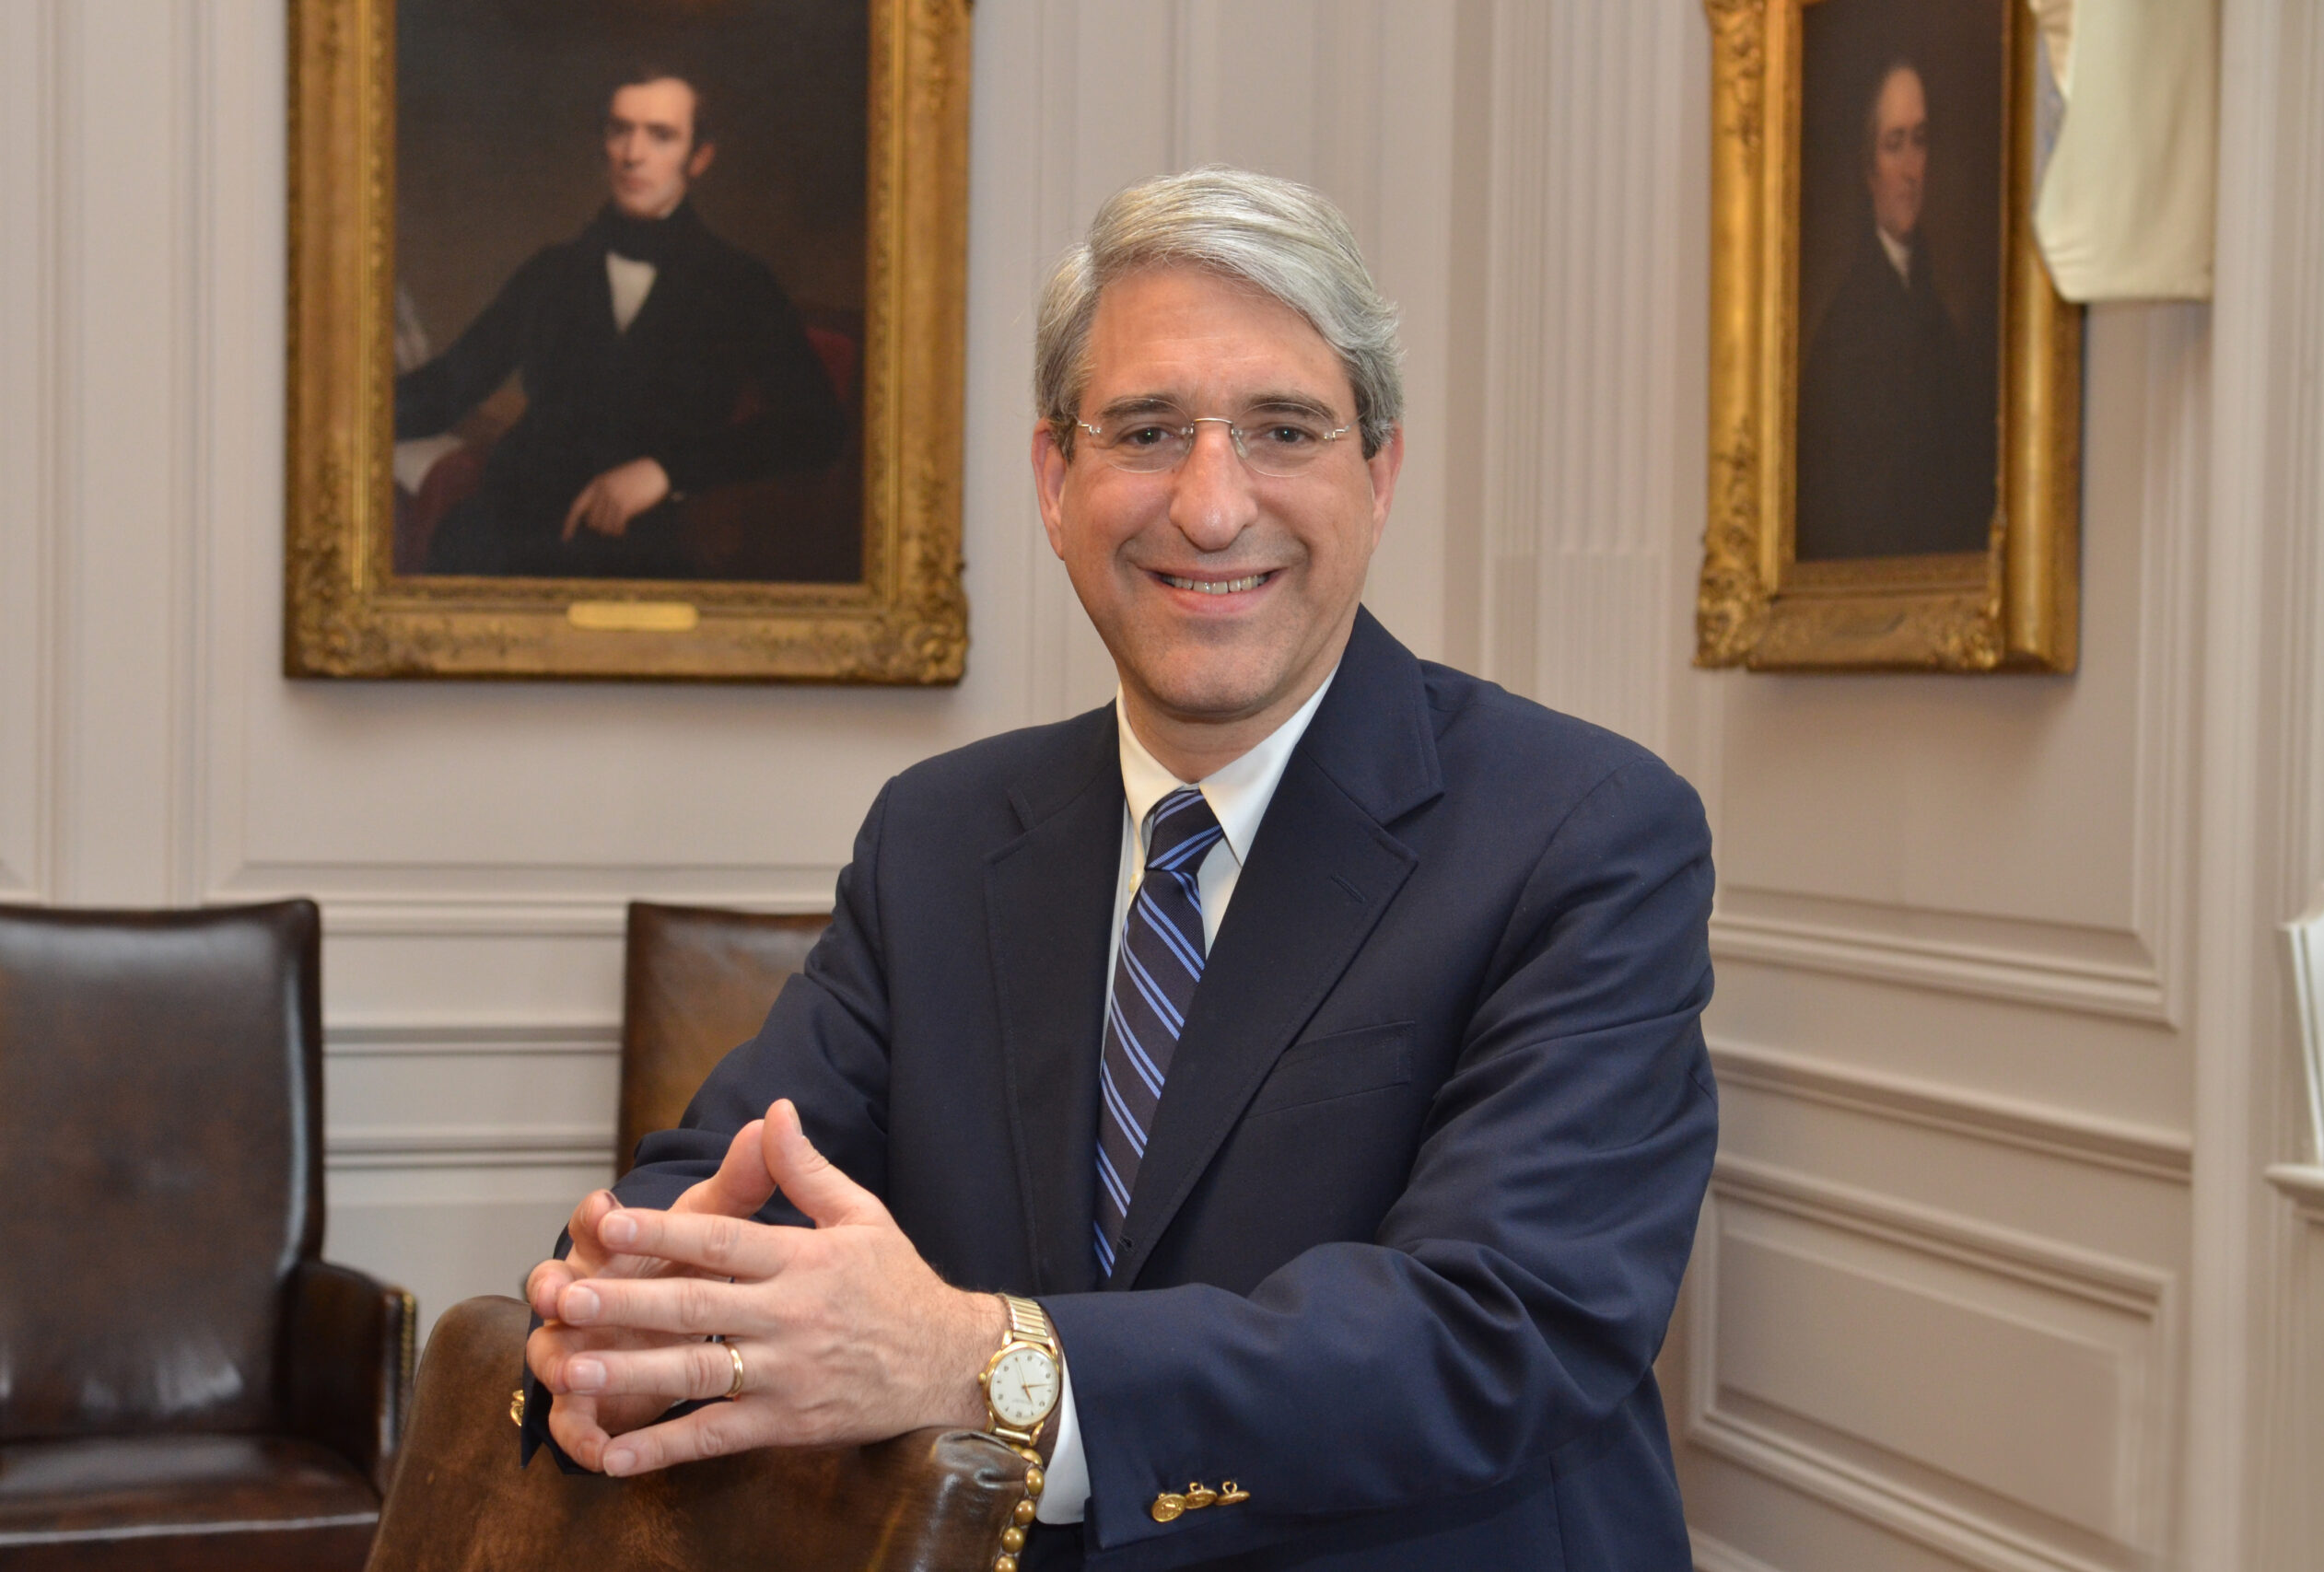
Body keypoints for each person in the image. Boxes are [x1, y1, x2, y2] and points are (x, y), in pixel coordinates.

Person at [520, 167, 1717, 1570]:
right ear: (1055, 479)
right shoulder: (940, 833)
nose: (1211, 508)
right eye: (1146, 430)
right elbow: (731, 1172)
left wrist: (983, 1357)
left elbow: (1498, 1326)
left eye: (1284, 429)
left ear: (1378, 475)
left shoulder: (1587, 829)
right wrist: (637, 1296)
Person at [395, 67, 846, 578]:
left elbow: (817, 428)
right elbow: (447, 388)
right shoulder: (552, 270)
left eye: (661, 136)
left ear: (699, 157)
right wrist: (332, 420)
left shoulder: (739, 283)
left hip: (645, 549)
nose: (633, 155)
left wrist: (667, 471)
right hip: (504, 534)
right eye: (619, 130)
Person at [1795, 59, 1997, 561]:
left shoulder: (1937, 313)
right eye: (1894, 144)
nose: (1911, 169)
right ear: (1868, 169)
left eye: (1920, 141)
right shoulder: (1846, 335)